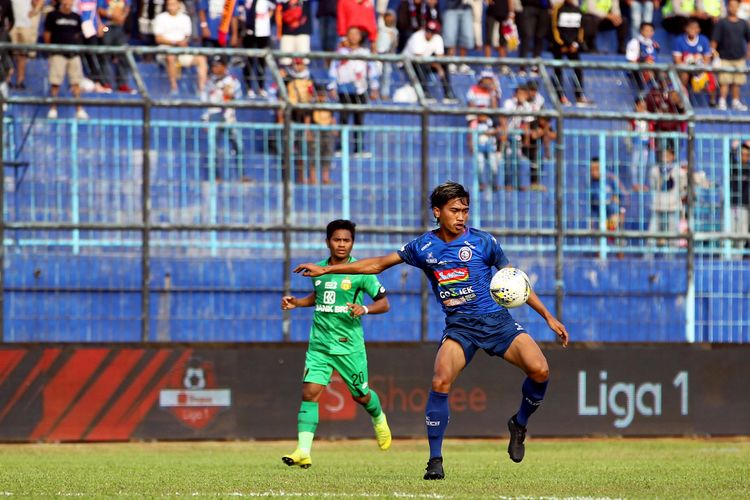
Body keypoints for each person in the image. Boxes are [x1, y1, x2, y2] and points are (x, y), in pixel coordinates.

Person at [293, 182, 569, 480]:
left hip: (497, 323)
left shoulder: (484, 242)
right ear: (437, 212)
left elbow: (516, 281)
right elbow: (376, 265)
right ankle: (435, 461)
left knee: (540, 371)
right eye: (454, 211)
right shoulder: (423, 247)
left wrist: (548, 317)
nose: (461, 216)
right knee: (440, 381)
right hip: (460, 328)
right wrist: (328, 269)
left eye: (465, 210)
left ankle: (519, 423)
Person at [281, 219, 392, 469]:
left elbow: (384, 303)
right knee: (309, 393)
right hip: (320, 344)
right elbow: (321, 296)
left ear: (352, 243)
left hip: (348, 346)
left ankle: (378, 417)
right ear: (327, 242)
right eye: (337, 239)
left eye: (346, 240)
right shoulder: (317, 270)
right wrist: (297, 303)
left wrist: (363, 308)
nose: (341, 244)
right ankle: (303, 450)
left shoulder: (361, 272)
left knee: (361, 396)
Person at [328, 26, 380, 157]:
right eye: (350, 34)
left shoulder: (365, 53)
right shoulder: (341, 52)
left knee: (359, 120)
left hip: (360, 90)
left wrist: (374, 87)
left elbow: (372, 70)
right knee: (343, 119)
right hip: (344, 90)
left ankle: (359, 148)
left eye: (356, 34)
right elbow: (333, 69)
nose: (353, 37)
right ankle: (341, 147)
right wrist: (332, 86)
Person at [44, 0, 88, 120]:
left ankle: (79, 109)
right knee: (55, 82)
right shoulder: (52, 15)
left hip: (73, 54)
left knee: (76, 82)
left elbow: (80, 34)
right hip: (58, 54)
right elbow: (47, 34)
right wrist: (50, 51)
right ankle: (53, 108)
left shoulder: (76, 17)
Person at [154, 0, 208, 95]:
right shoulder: (160, 18)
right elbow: (158, 38)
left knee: (201, 59)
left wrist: (182, 43)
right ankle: (174, 88)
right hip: (165, 50)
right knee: (170, 57)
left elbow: (187, 37)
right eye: (169, 4)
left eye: (174, 4)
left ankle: (202, 90)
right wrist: (174, 42)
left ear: (179, 5)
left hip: (182, 50)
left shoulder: (185, 18)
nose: (171, 6)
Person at [402, 20, 457, 103]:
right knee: (421, 66)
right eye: (427, 30)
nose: (429, 33)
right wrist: (437, 67)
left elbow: (440, 57)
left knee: (444, 65)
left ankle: (448, 93)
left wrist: (439, 68)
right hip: (408, 63)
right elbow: (418, 57)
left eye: (432, 32)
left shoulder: (437, 38)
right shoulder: (417, 36)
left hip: (427, 61)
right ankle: (425, 93)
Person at [711, 0, 750, 112]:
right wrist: (713, 53)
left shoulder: (743, 23)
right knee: (724, 81)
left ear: (738, 7)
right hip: (724, 57)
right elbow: (714, 40)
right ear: (728, 7)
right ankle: (722, 101)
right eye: (731, 6)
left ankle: (735, 101)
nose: (733, 8)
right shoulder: (722, 23)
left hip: (739, 58)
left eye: (735, 6)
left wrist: (748, 52)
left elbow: (748, 40)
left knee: (737, 81)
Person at [550, 0, 588, 105]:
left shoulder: (578, 10)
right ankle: (560, 96)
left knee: (578, 68)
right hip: (560, 46)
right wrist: (562, 45)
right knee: (558, 69)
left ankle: (579, 95)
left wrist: (575, 44)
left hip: (573, 47)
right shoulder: (558, 9)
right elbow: (554, 28)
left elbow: (581, 30)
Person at [672, 19, 716, 104]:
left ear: (699, 29)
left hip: (699, 67)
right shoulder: (679, 40)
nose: (693, 30)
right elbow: (677, 60)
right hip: (684, 68)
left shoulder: (703, 39)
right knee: (684, 75)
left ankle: (712, 101)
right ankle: (682, 100)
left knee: (710, 75)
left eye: (695, 28)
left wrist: (700, 68)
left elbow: (707, 58)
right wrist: (688, 66)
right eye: (690, 28)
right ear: (686, 29)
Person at [98, 0, 135, 93]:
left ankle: (122, 84)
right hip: (106, 27)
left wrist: (122, 17)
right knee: (105, 55)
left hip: (120, 27)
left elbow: (127, 8)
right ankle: (106, 83)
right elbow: (98, 10)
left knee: (123, 55)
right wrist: (112, 15)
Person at [239, 0, 274, 97]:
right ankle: (248, 87)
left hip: (263, 33)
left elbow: (273, 8)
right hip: (249, 32)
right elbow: (240, 9)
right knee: (248, 61)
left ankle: (261, 87)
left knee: (262, 61)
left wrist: (266, 18)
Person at [9, 0, 42, 89]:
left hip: (25, 24)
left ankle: (20, 80)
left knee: (22, 54)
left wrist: (35, 10)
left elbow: (39, 2)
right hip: (11, 25)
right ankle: (7, 80)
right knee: (9, 53)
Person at [468, 114, 501, 192]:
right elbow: (470, 135)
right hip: (479, 148)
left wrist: (491, 133)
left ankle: (493, 183)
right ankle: (481, 184)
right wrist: (471, 146)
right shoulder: (474, 123)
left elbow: (498, 130)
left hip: (491, 147)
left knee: (494, 167)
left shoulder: (491, 122)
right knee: (480, 166)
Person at [625, 21, 661, 90]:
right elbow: (631, 62)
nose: (648, 32)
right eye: (646, 30)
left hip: (652, 71)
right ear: (641, 30)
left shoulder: (654, 44)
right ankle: (641, 95)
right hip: (638, 72)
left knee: (664, 75)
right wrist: (645, 63)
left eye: (651, 30)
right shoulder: (634, 42)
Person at [442, 0, 474, 74]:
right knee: (450, 36)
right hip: (451, 7)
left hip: (467, 8)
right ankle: (451, 62)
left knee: (466, 36)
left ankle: (462, 63)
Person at [729, 140, 750, 252]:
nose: (744, 157)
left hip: (744, 206)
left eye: (747, 154)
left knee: (742, 237)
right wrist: (733, 149)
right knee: (729, 235)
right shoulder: (734, 168)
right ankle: (727, 260)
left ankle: (739, 261)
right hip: (731, 206)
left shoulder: (748, 169)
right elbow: (730, 161)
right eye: (742, 154)